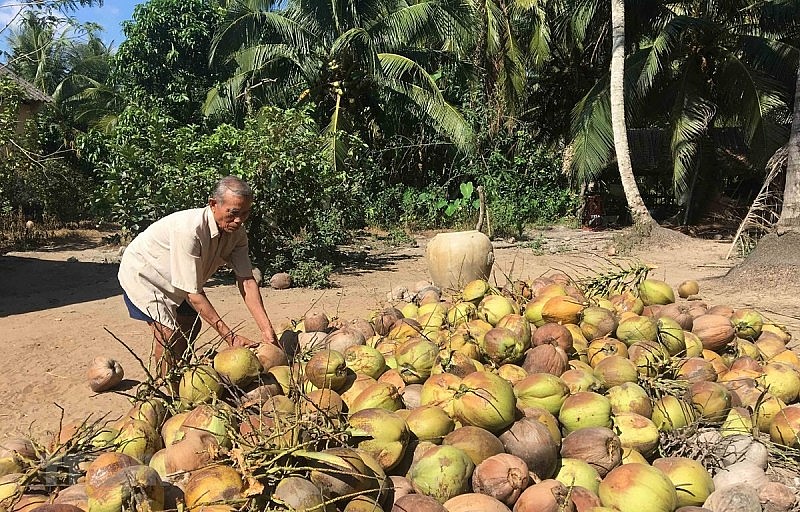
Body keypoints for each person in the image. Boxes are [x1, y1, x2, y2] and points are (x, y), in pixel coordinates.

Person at [118, 176, 277, 374]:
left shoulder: (237, 233)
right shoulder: (190, 230)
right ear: (213, 204)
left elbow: (246, 281)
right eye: (233, 213)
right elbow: (194, 294)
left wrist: (266, 329)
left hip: (177, 279)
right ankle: (164, 385)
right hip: (144, 274)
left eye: (245, 213)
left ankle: (179, 372)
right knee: (167, 333)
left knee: (190, 324)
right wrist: (230, 337)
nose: (238, 220)